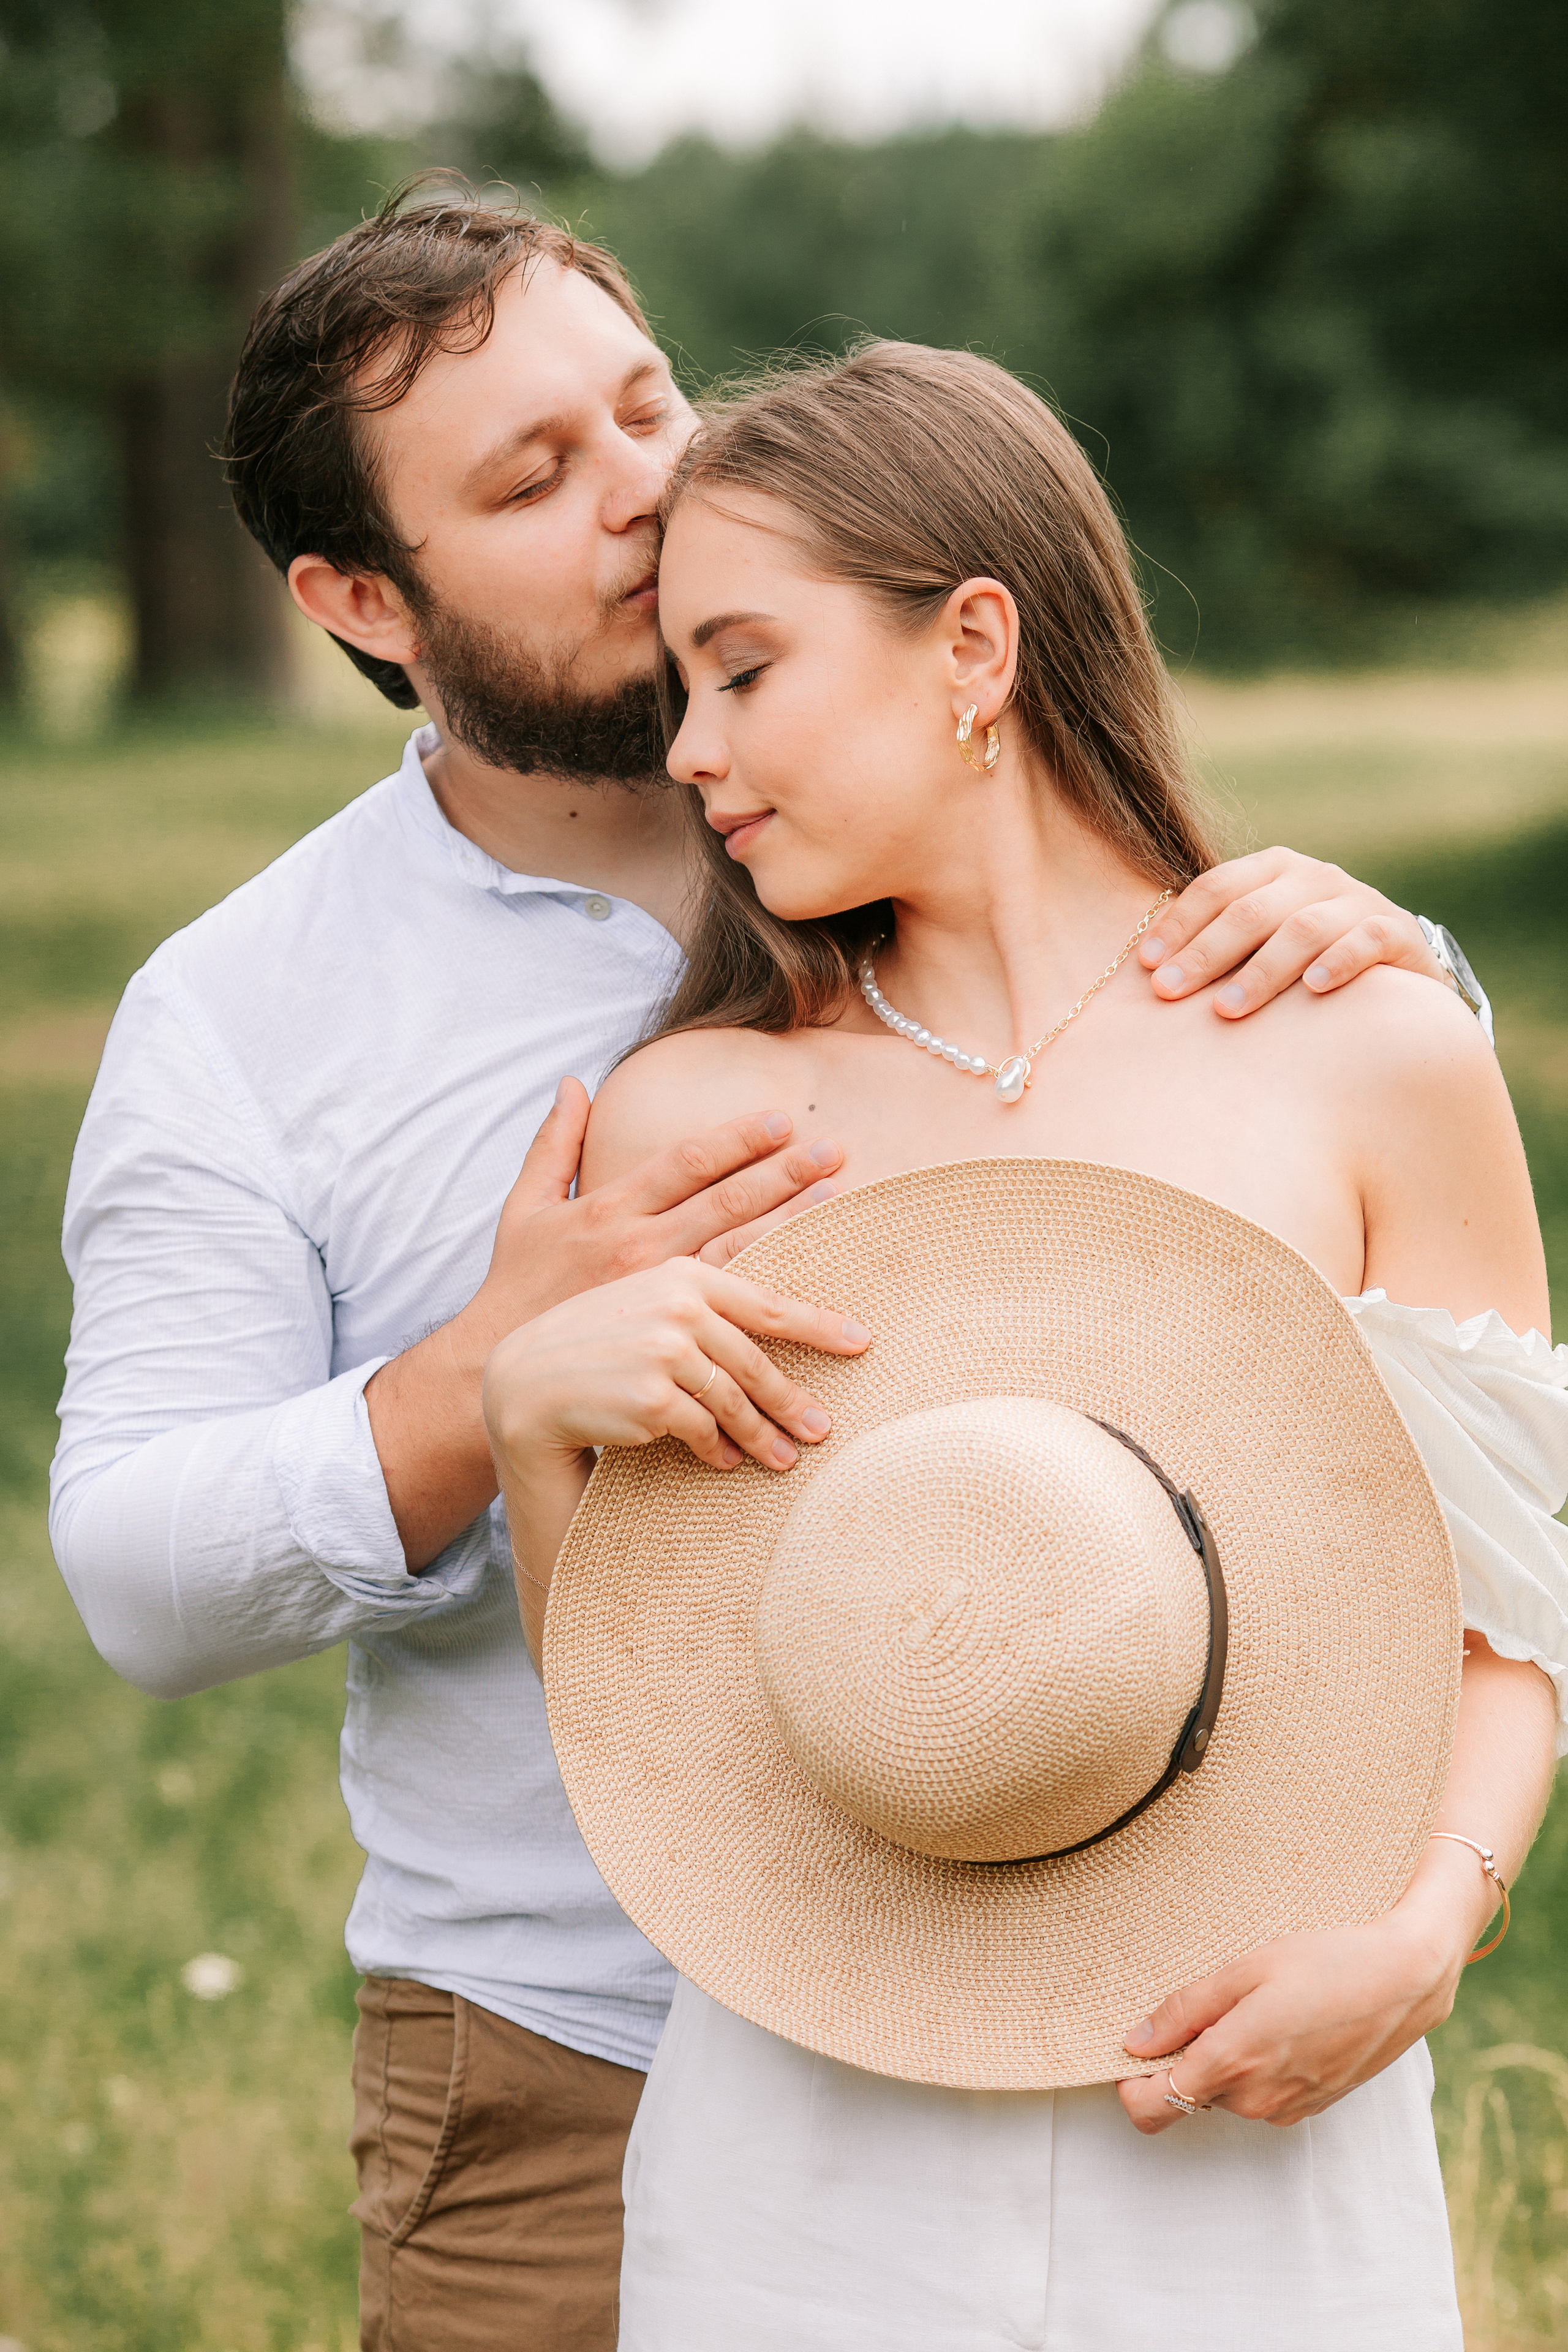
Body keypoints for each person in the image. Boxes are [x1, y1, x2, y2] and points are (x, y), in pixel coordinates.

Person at [50, 187, 1491, 2351]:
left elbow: (1380, 1353)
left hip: (1165, 1941)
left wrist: (1402, 970)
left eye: (645, 406)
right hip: (578, 2039)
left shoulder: (937, 816)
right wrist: (494, 1379)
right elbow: (136, 1577)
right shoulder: (255, 1016)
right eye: (536, 479)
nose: (643, 496)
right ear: (363, 597)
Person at [481, 341, 1568, 2347]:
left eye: (743, 670)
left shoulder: (1367, 1046)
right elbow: (658, 1710)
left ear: (972, 643)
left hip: (1263, 2090)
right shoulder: (695, 1121)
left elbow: (1522, 1600)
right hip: (809, 2125)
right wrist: (531, 1423)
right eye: (675, 698)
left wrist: (1426, 1932)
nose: (693, 756)